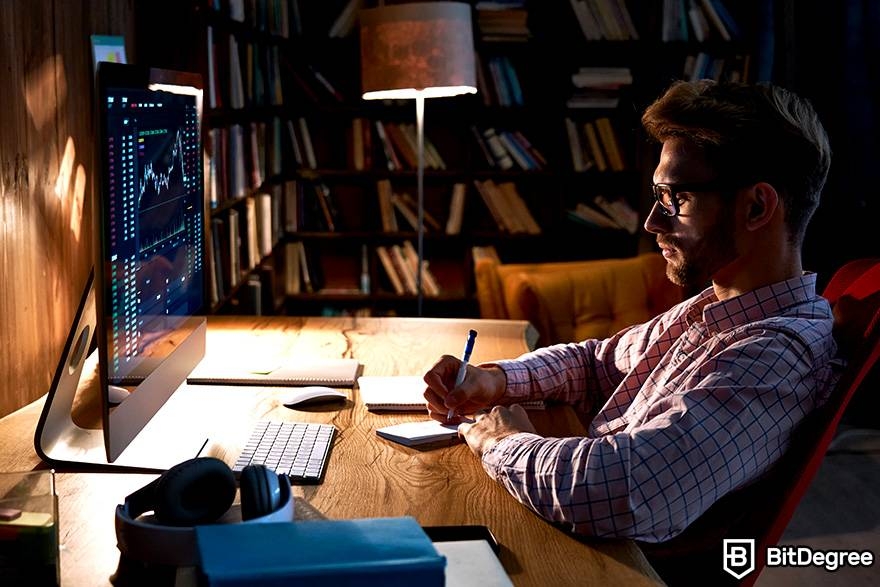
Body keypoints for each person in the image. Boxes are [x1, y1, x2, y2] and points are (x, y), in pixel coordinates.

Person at [423, 79, 838, 545]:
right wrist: (495, 379)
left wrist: (501, 441)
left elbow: (621, 491)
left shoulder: (774, 357)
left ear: (757, 206)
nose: (652, 222)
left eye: (673, 198)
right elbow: (596, 362)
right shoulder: (715, 308)